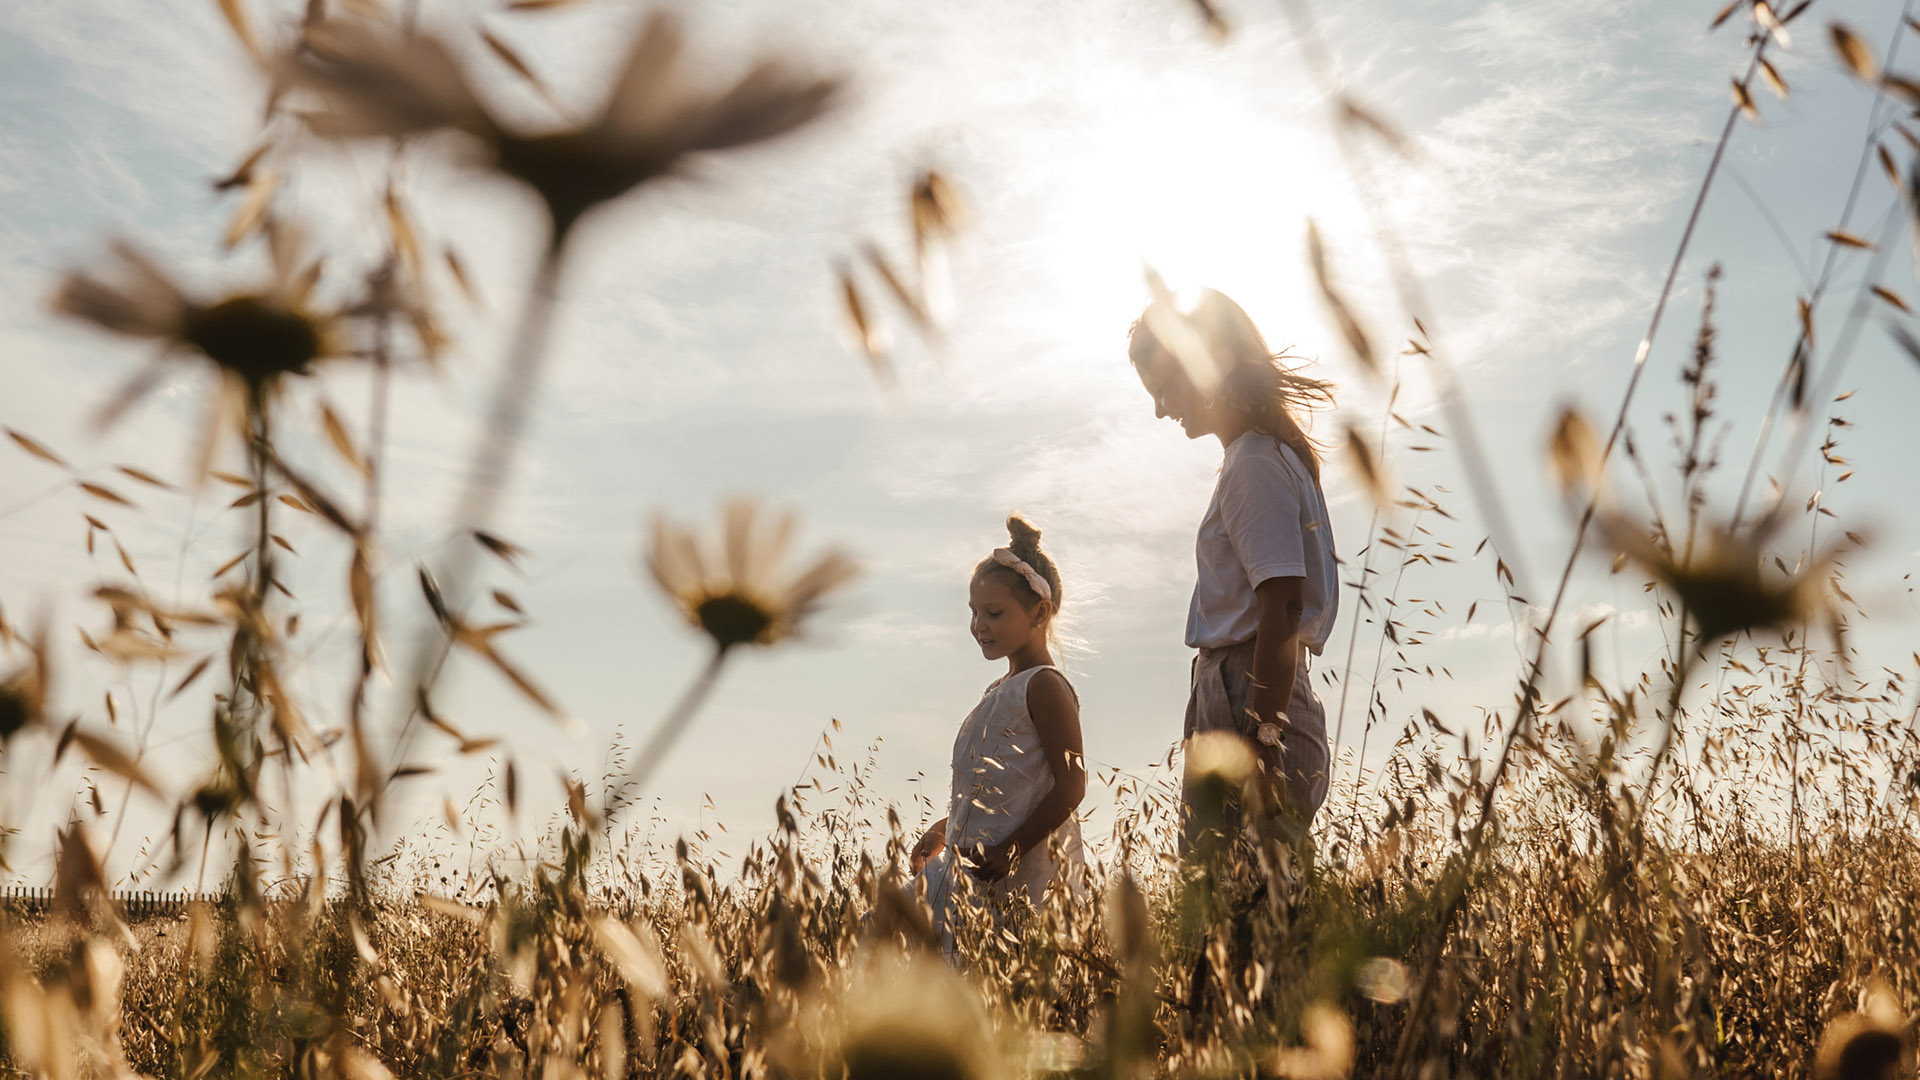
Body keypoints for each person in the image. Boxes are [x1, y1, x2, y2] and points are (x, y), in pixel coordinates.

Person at [1127, 288, 1339, 844]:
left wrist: (1265, 739)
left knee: (1238, 885)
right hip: (1244, 692)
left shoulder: (1253, 463)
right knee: (1237, 885)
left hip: (1248, 695)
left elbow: (1283, 603)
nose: (1161, 409)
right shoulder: (1264, 455)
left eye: (1163, 388)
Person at [911, 515, 1088, 953]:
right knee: (885, 934)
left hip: (1017, 876)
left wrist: (1010, 850)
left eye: (994, 613)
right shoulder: (999, 690)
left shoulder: (1044, 686)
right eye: (973, 612)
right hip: (968, 870)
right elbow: (999, 788)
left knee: (1003, 971)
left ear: (1040, 613)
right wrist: (946, 828)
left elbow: (1072, 784)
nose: (979, 626)